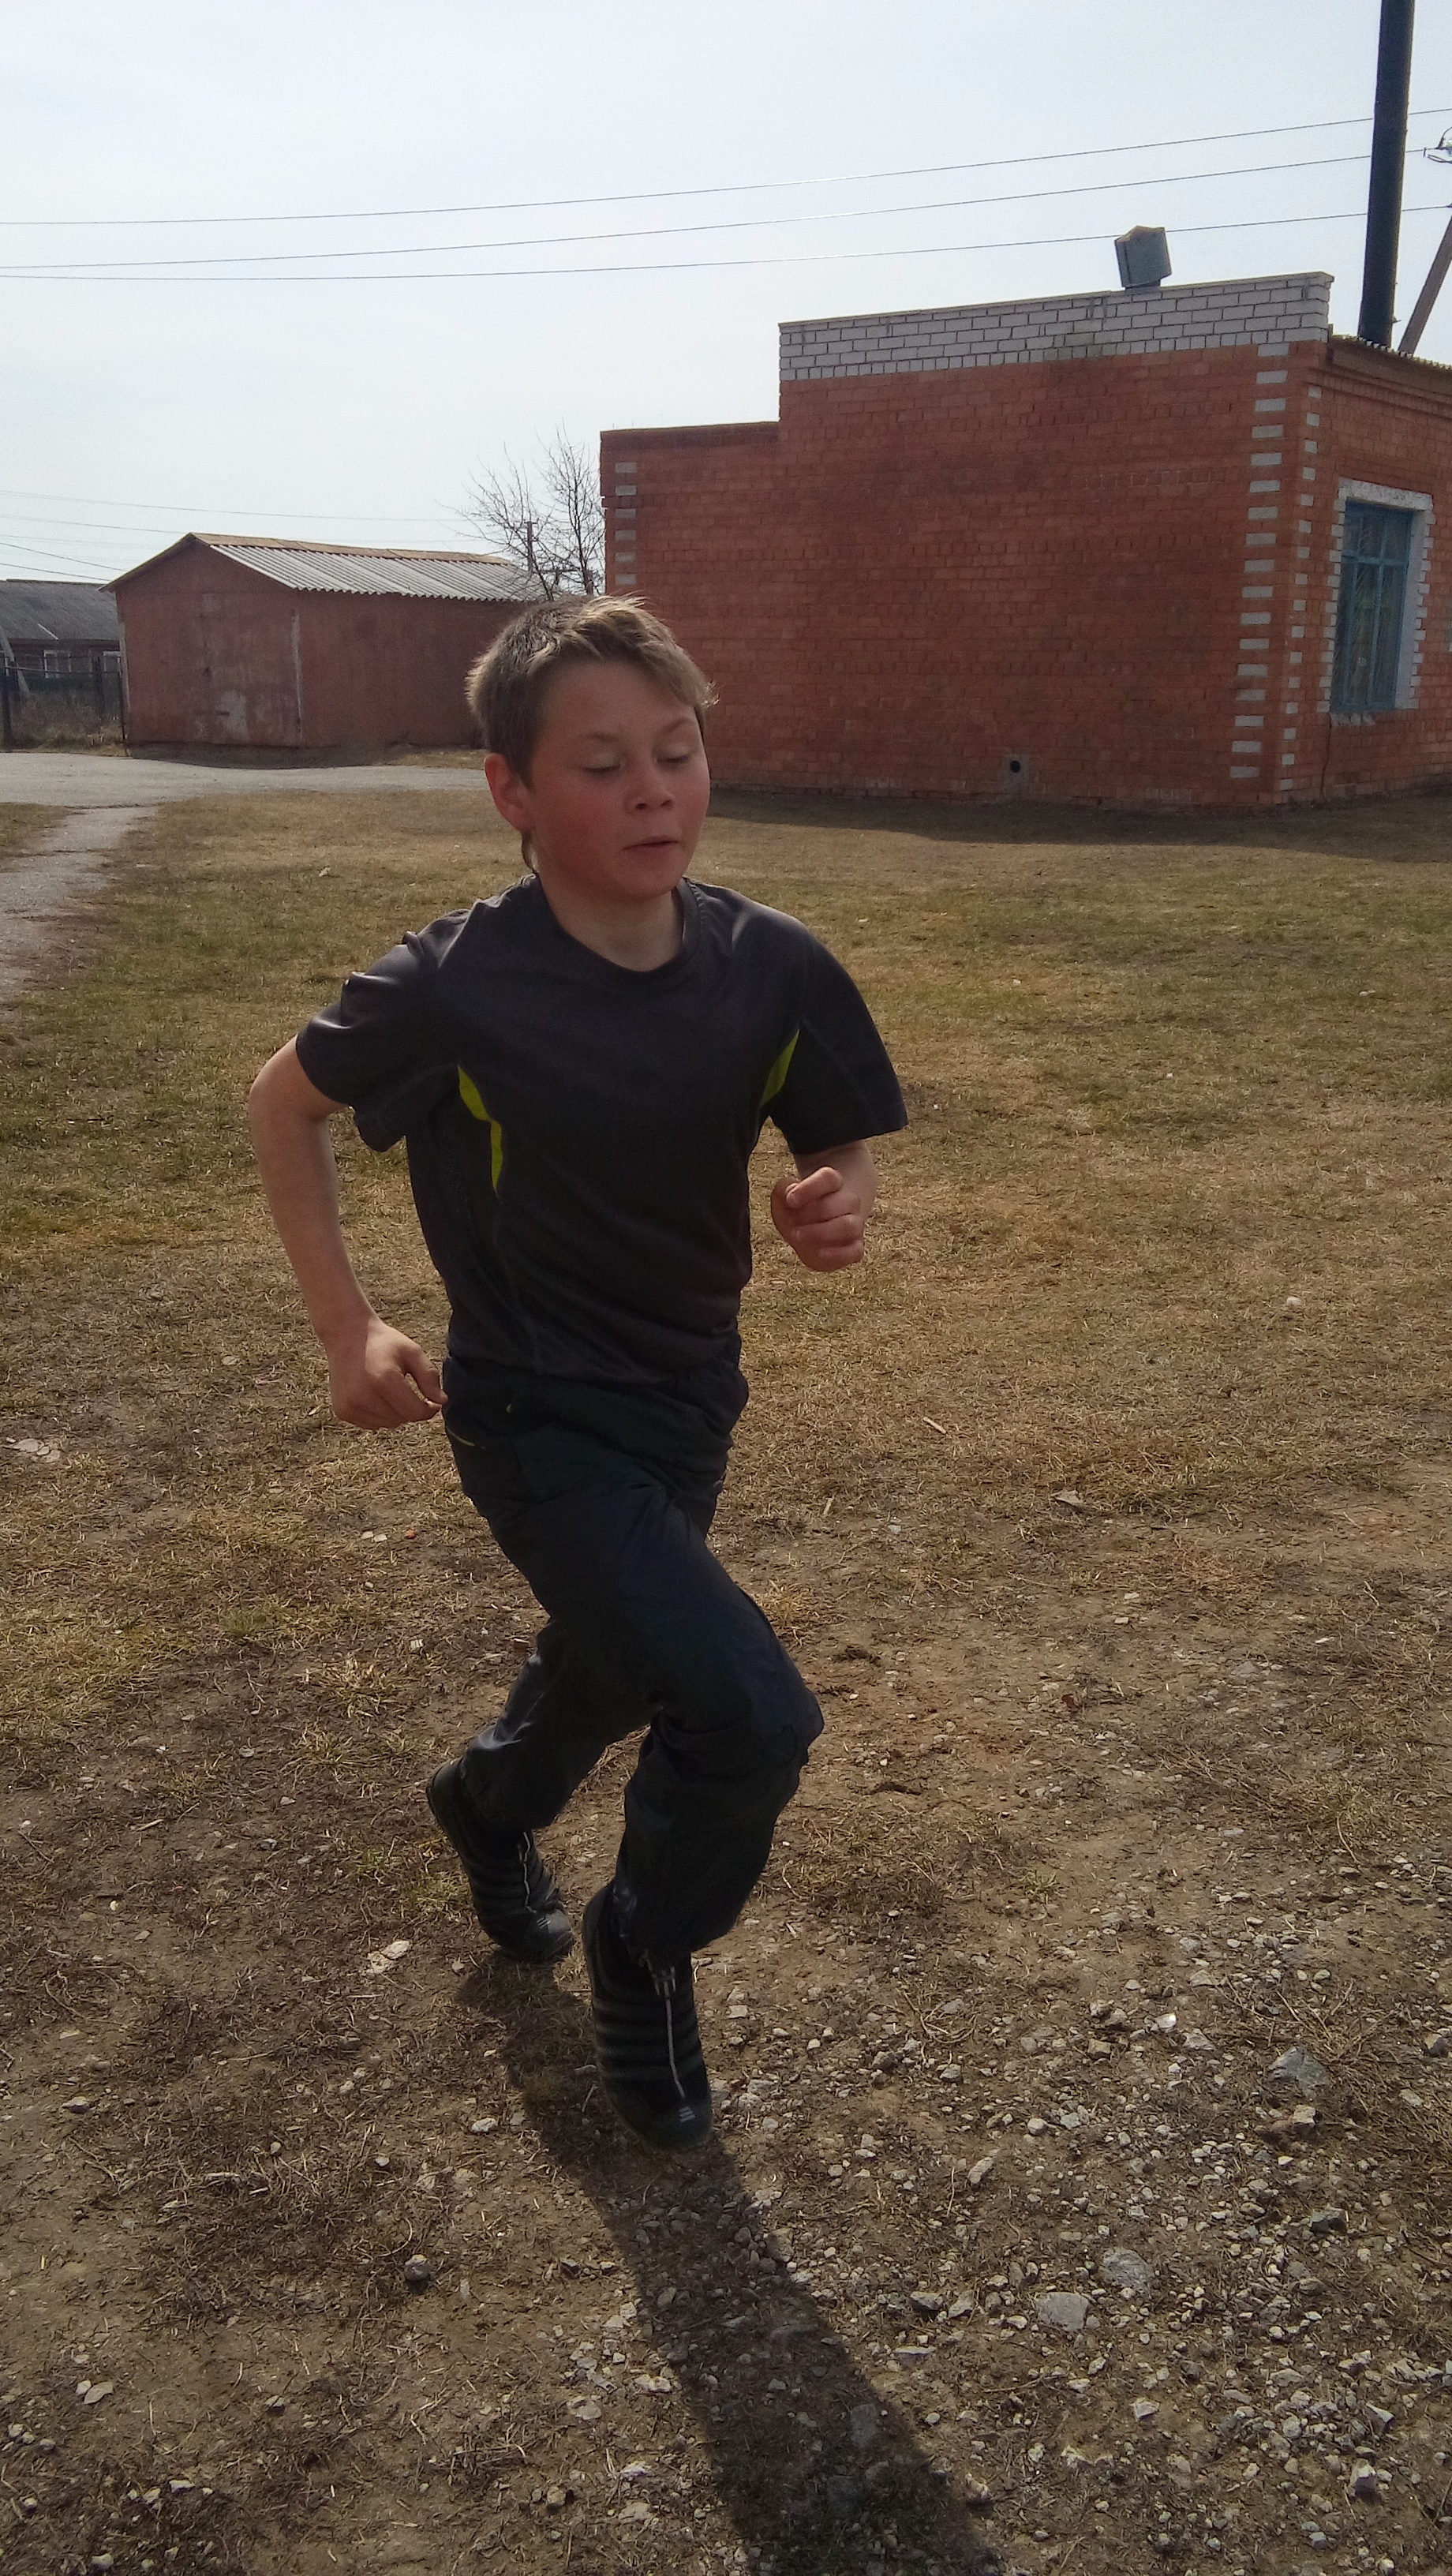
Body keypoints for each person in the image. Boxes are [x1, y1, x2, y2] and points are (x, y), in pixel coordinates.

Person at [247, 596, 906, 2152]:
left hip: (691, 1395)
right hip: (533, 1414)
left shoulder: (771, 965)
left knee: (618, 1662)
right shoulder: (456, 984)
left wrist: (838, 1197)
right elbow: (285, 1104)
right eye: (603, 766)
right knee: (746, 1714)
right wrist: (348, 1328)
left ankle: (487, 1802)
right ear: (513, 793)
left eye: (676, 752)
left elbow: (834, 1125)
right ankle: (643, 1942)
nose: (653, 791)